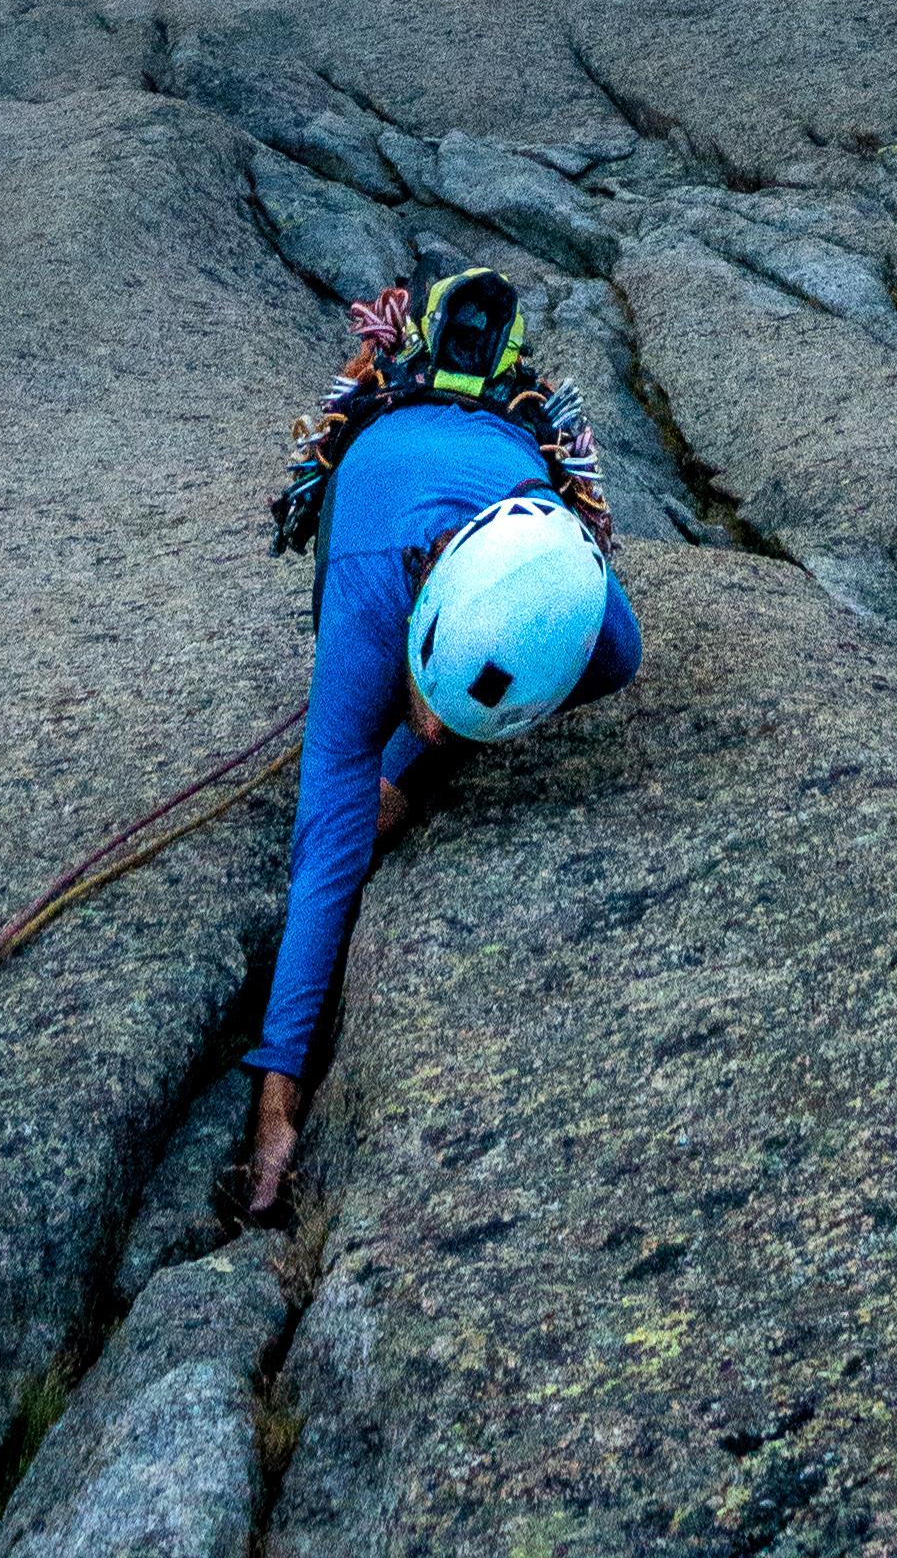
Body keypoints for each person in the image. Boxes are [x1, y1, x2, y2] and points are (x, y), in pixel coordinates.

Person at [244, 271, 641, 1220]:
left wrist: (408, 756)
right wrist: (429, 744)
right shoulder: (531, 446)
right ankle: (274, 1106)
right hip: (421, 559)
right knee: (347, 804)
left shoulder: (392, 421)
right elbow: (610, 647)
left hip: (378, 543)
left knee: (330, 839)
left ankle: (273, 1122)